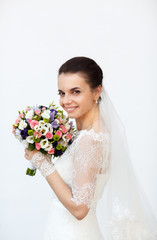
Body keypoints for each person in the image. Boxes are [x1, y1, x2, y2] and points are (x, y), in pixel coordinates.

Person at [24, 57, 157, 240]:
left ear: (96, 92)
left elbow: (80, 209)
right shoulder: (83, 133)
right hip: (62, 227)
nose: (66, 100)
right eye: (62, 93)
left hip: (73, 233)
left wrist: (41, 162)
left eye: (75, 92)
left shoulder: (91, 139)